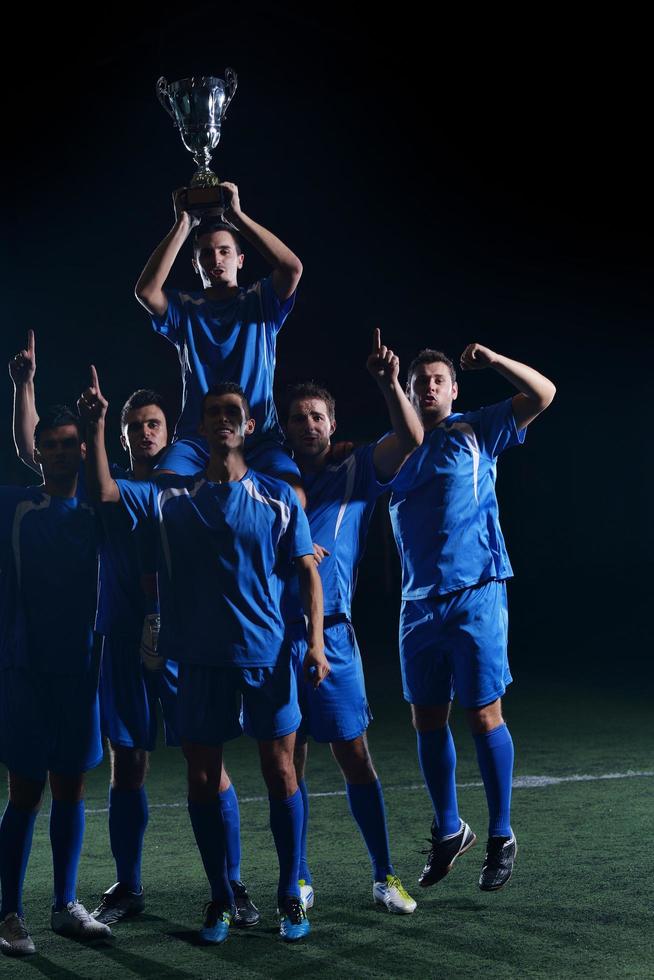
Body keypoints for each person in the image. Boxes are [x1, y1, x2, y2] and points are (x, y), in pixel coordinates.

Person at [9, 338, 258, 928]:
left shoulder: (192, 484)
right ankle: (129, 884)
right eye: (135, 425)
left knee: (208, 762)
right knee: (129, 762)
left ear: (170, 431)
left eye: (154, 424)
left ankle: (233, 883)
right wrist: (25, 388)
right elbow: (35, 454)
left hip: (187, 641)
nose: (145, 433)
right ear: (121, 436)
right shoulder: (107, 485)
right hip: (120, 640)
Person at [78, 371, 329, 945]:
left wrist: (314, 643)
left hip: (266, 656)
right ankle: (219, 896)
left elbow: (308, 573)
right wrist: (95, 426)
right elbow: (106, 492)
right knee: (201, 776)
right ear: (202, 426)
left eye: (231, 412)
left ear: (248, 424)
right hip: (198, 660)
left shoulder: (278, 496)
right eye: (212, 412)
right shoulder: (171, 498)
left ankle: (291, 891)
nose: (222, 420)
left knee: (281, 770)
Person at [390, 342, 556, 892]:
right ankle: (448, 829)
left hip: (477, 593)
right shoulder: (395, 449)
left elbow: (543, 393)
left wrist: (496, 361)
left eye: (439, 379)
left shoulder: (479, 430)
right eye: (422, 382)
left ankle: (501, 834)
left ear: (454, 389)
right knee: (427, 720)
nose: (431, 387)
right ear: (410, 392)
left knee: (484, 715)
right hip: (418, 605)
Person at [284, 330, 423, 915]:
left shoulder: (358, 468)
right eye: (298, 417)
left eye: (318, 416)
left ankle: (383, 875)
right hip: (275, 635)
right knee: (287, 764)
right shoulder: (268, 477)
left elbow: (412, 439)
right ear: (286, 427)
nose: (309, 424)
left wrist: (390, 383)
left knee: (355, 755)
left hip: (334, 634)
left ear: (332, 423)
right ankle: (299, 877)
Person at [0, 406, 111, 956]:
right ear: (38, 452)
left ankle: (65, 905)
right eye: (52, 444)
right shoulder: (15, 504)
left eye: (72, 443)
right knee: (25, 790)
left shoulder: (101, 506)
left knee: (72, 786)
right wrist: (23, 386)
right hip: (26, 670)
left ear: (85, 449)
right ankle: (9, 914)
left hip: (83, 671)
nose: (62, 451)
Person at [134, 182, 304, 498]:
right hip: (196, 438)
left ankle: (295, 548)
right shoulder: (185, 308)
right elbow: (145, 292)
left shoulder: (260, 300)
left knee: (293, 494)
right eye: (206, 254)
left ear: (240, 259)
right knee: (159, 493)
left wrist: (237, 216)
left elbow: (292, 268)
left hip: (257, 437)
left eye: (225, 251)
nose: (216, 259)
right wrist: (182, 224)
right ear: (196, 264)